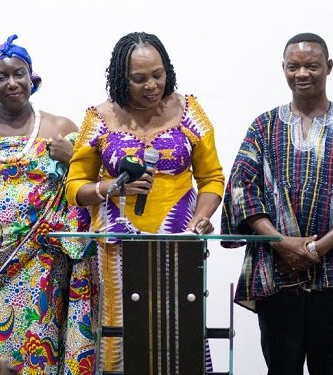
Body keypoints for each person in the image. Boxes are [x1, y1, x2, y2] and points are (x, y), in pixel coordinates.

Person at [221, 32, 333, 375]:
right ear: (283, 68)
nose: (302, 73)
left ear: (328, 67)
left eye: (311, 65)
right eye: (293, 66)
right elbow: (241, 188)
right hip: (275, 270)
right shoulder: (263, 127)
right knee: (281, 368)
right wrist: (282, 243)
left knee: (332, 368)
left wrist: (315, 249)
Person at [66, 31, 225, 372]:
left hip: (180, 242)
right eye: (139, 79)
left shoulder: (189, 113)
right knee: (123, 335)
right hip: (117, 247)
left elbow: (211, 178)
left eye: (158, 74)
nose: (151, 85)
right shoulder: (99, 119)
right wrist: (109, 188)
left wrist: (200, 218)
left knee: (181, 332)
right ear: (120, 80)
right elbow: (75, 186)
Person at [0, 34, 95, 373]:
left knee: (42, 358)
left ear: (32, 77)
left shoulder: (61, 128)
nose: (12, 82)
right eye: (1, 76)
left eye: (19, 73)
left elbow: (87, 193)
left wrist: (74, 159)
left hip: (45, 274)